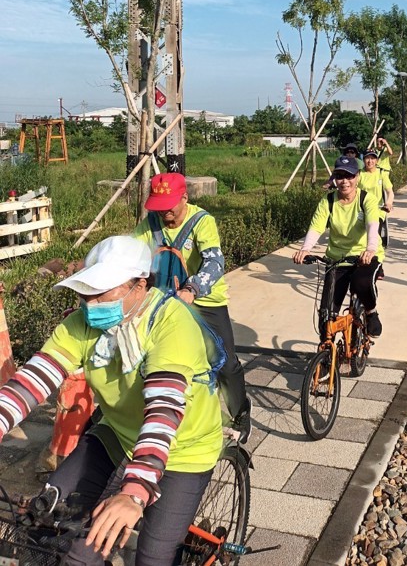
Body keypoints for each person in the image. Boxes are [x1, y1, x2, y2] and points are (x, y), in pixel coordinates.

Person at [0, 235, 223, 566]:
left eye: (100, 292)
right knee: (43, 520)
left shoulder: (171, 324)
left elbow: (162, 410)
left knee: (152, 558)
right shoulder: (82, 322)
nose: (90, 303)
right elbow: (33, 380)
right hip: (118, 433)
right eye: (85, 291)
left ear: (139, 286)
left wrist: (133, 493)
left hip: (182, 448)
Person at [133, 173, 250, 444]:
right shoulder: (150, 223)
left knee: (224, 361)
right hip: (163, 300)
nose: (165, 213)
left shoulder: (202, 221)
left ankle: (240, 412)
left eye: (170, 206)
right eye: (159, 207)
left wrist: (192, 289)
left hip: (204, 300)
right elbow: (131, 254)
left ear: (185, 197)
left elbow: (214, 262)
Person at [293, 155, 384, 337]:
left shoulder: (366, 199)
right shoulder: (328, 201)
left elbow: (372, 224)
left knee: (362, 282)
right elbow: (317, 226)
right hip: (337, 259)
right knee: (326, 315)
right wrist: (305, 248)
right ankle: (327, 354)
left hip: (364, 256)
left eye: (349, 176)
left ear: (357, 177)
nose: (344, 181)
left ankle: (371, 313)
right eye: (340, 176)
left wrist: (370, 248)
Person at [359, 149, 395, 233]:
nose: (370, 161)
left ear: (377, 161)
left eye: (372, 158)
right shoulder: (359, 174)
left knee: (374, 233)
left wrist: (389, 203)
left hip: (377, 209)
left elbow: (390, 192)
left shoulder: (381, 173)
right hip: (361, 209)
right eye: (367, 158)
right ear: (363, 160)